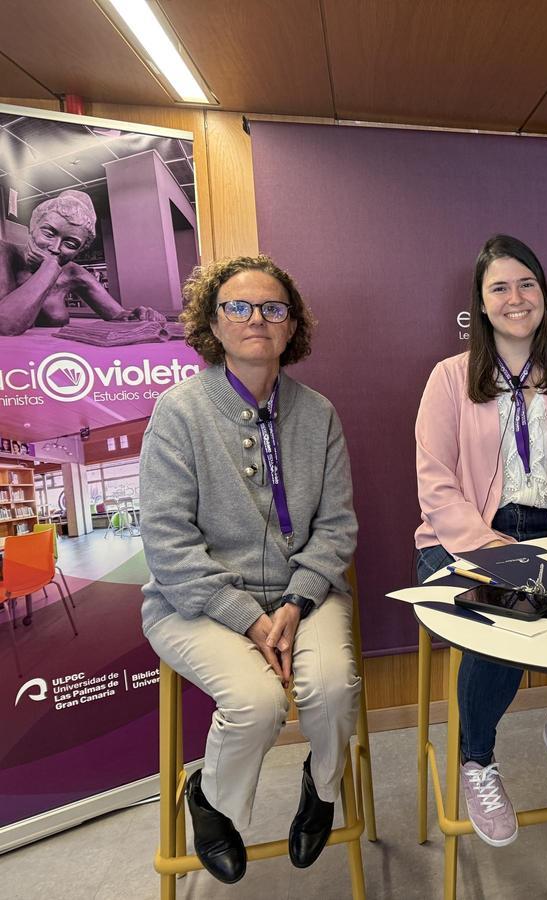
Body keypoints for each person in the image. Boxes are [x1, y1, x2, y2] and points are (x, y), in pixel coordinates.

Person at [140, 255, 360, 883]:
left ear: (292, 327)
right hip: (195, 601)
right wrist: (247, 617)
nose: (256, 318)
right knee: (257, 702)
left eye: (272, 308)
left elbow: (336, 527)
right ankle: (211, 799)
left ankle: (322, 789)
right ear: (214, 323)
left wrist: (295, 601)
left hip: (303, 595)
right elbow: (167, 542)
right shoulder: (178, 412)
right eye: (238, 306)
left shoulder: (318, 413)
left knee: (333, 688)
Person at [414, 234, 547, 847]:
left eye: (527, 284)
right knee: (498, 620)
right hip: (460, 540)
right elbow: (435, 483)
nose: (515, 297)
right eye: (499, 287)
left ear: (544, 294)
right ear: (480, 303)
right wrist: (492, 549)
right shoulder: (449, 378)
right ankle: (476, 759)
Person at [0, 190, 164, 335]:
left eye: (70, 245)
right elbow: (6, 324)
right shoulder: (4, 253)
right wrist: (49, 268)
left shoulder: (73, 273)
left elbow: (119, 316)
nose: (55, 248)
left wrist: (139, 315)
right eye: (48, 234)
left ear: (80, 250)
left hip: (55, 355)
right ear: (33, 227)